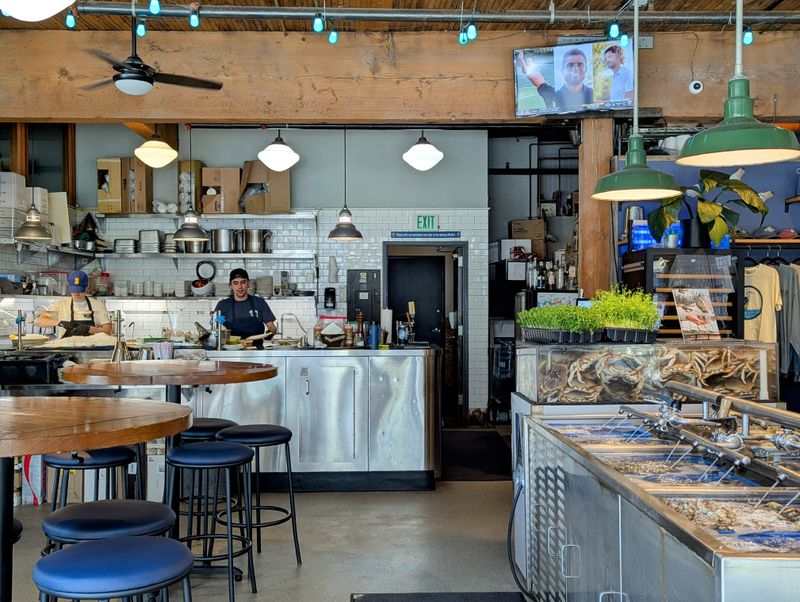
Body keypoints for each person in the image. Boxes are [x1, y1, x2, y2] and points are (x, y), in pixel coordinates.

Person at [34, 270, 112, 338]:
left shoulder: (98, 305)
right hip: (66, 348)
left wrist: (91, 329)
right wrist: (60, 323)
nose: (77, 293)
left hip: (92, 348)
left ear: (87, 287)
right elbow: (38, 321)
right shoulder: (61, 305)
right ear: (68, 286)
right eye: (74, 290)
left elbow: (108, 331)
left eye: (80, 290)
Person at [213, 268, 277, 346]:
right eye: (235, 283)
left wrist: (270, 333)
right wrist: (217, 323)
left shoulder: (259, 302)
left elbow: (271, 326)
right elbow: (215, 329)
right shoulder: (222, 305)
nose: (240, 287)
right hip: (231, 350)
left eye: (243, 282)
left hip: (256, 350)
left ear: (248, 284)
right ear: (230, 285)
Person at [554, 47, 593, 111]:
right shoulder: (554, 97)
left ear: (586, 70)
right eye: (570, 65)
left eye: (579, 65)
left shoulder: (593, 95)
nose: (575, 69)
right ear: (562, 71)